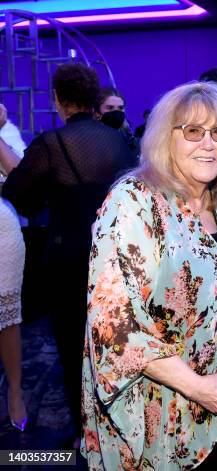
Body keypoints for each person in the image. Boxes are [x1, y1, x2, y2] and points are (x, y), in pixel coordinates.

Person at [81, 81, 217, 470]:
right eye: (192, 130)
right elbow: (114, 326)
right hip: (162, 423)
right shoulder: (134, 201)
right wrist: (200, 389)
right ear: (165, 137)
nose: (208, 143)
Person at [2, 63, 136, 446]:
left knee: (72, 345)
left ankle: (85, 434)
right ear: (94, 99)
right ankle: (120, 426)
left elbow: (20, 195)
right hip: (115, 256)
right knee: (115, 343)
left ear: (58, 99)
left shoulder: (52, 143)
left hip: (69, 258)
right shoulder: (118, 141)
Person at [0, 103, 27, 431]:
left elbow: (19, 180)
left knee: (7, 319)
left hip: (1, 232)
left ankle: (16, 391)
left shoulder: (5, 129)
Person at [95, 86, 140, 158]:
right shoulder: (93, 141)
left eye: (120, 108)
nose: (116, 111)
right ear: (97, 112)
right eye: (110, 108)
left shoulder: (133, 142)